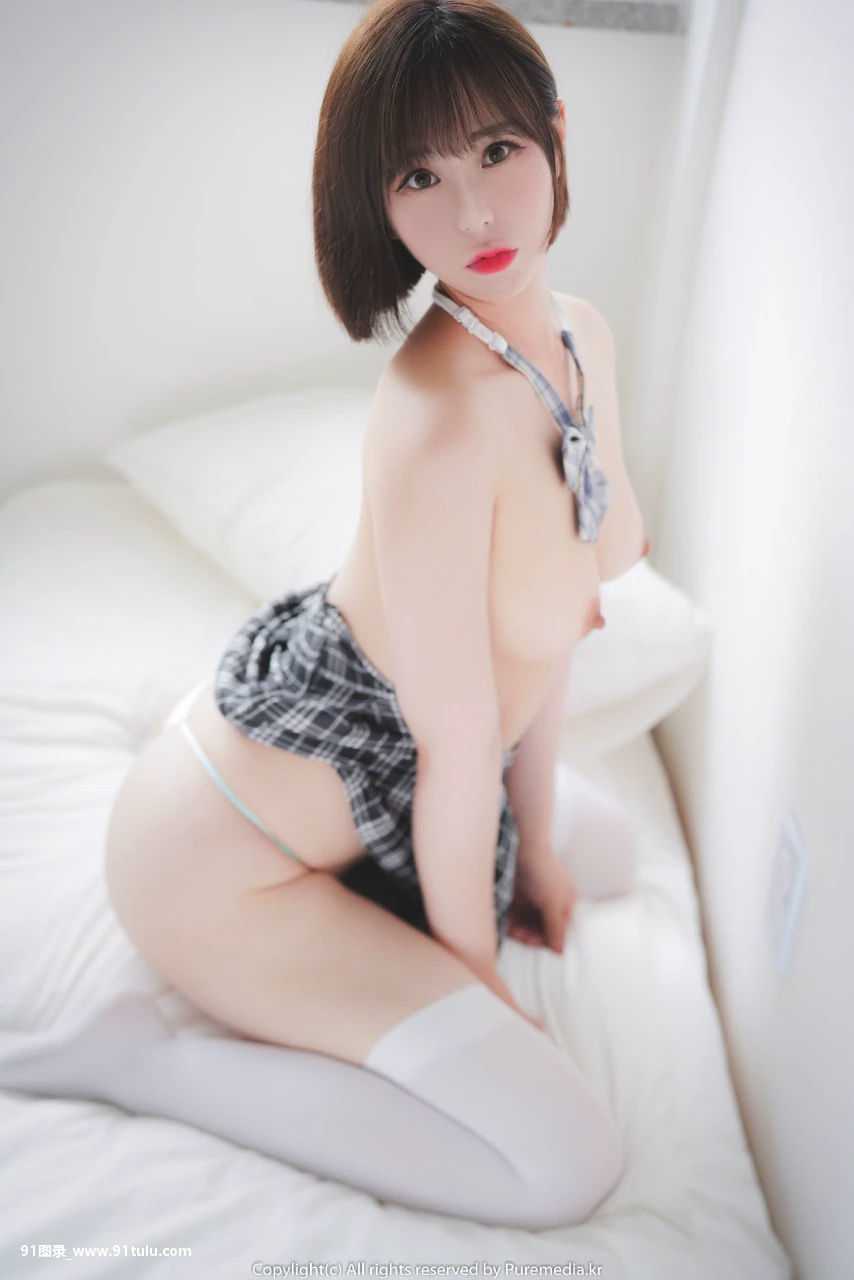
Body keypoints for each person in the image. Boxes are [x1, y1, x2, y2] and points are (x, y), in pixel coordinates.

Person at [2, 0, 649, 1230]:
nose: (472, 214)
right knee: (563, 1163)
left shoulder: (580, 341)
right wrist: (478, 992)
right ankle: (141, 1059)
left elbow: (559, 619)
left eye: (497, 151)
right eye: (419, 176)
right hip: (218, 859)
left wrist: (538, 846)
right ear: (378, 202)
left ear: (557, 135)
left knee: (610, 853)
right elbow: (455, 751)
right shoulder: (434, 420)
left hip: (388, 783)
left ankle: (393, 903)